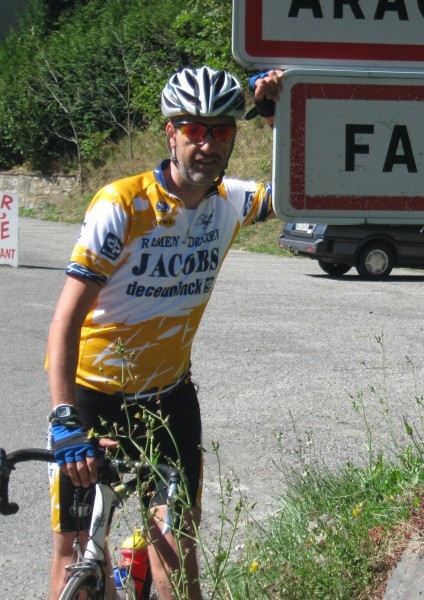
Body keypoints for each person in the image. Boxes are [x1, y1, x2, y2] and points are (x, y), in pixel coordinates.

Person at [45, 65, 284, 599]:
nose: (206, 143)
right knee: (78, 550)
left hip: (169, 401)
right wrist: (64, 421)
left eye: (220, 130)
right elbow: (66, 320)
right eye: (192, 129)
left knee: (176, 555)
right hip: (92, 397)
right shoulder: (121, 204)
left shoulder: (232, 202)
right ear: (170, 133)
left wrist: (276, 114)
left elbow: (303, 191)